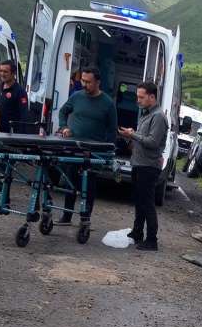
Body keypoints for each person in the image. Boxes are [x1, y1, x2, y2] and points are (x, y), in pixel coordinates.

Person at [57, 66, 117, 224]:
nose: (84, 84)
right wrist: (64, 127)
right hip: (74, 146)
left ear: (98, 82)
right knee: (70, 181)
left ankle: (85, 218)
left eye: (88, 82)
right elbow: (62, 111)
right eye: (83, 81)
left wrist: (108, 151)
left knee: (89, 184)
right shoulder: (77, 96)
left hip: (93, 151)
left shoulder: (108, 103)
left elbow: (112, 130)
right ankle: (66, 215)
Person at [118, 82, 168, 251]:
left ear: (152, 97)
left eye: (141, 97)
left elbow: (153, 142)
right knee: (139, 200)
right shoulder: (146, 114)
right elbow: (142, 138)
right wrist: (131, 136)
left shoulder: (159, 117)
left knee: (147, 202)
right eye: (137, 97)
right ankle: (137, 232)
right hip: (139, 163)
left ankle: (152, 240)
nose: (137, 100)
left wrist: (134, 134)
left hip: (149, 166)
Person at [0, 59, 28, 134]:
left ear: (13, 73)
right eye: (1, 71)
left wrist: (18, 137)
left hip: (11, 135)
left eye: (5, 72)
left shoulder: (20, 91)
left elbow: (23, 116)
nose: (2, 74)